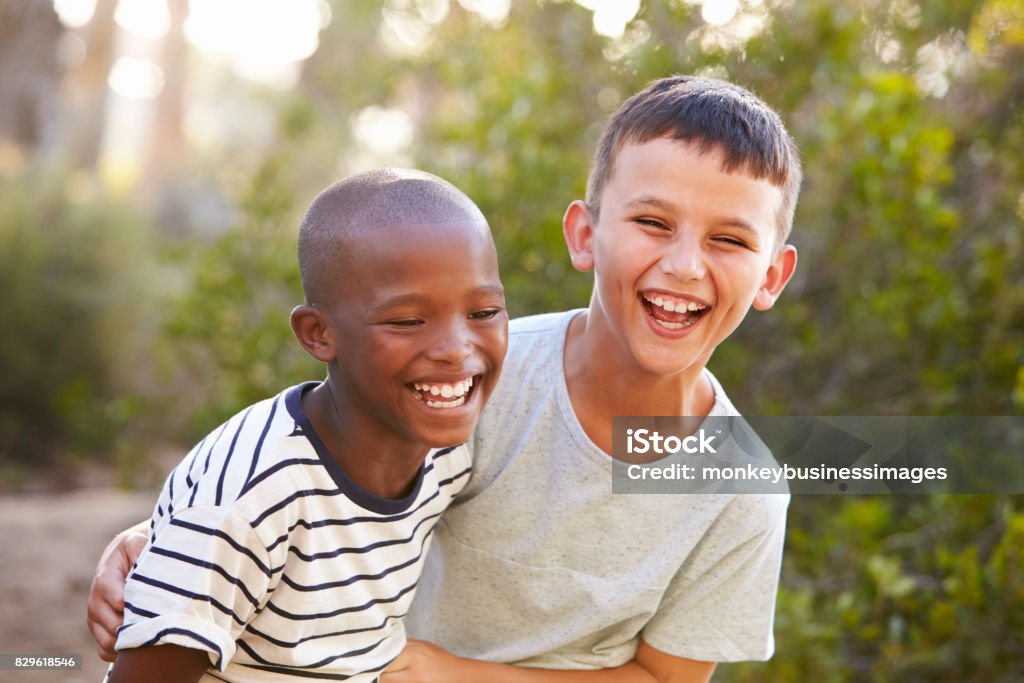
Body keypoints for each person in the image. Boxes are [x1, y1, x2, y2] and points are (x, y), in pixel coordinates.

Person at [89, 75, 801, 682]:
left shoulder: (740, 489)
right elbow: (307, 474)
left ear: (771, 275)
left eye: (729, 239)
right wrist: (164, 537)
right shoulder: (477, 371)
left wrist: (444, 671)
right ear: (585, 234)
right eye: (653, 221)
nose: (683, 265)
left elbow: (661, 678)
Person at [99, 168, 509, 682]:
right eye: (407, 321)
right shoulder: (249, 504)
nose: (456, 348)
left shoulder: (447, 444)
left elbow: (638, 460)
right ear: (318, 334)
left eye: (485, 311)